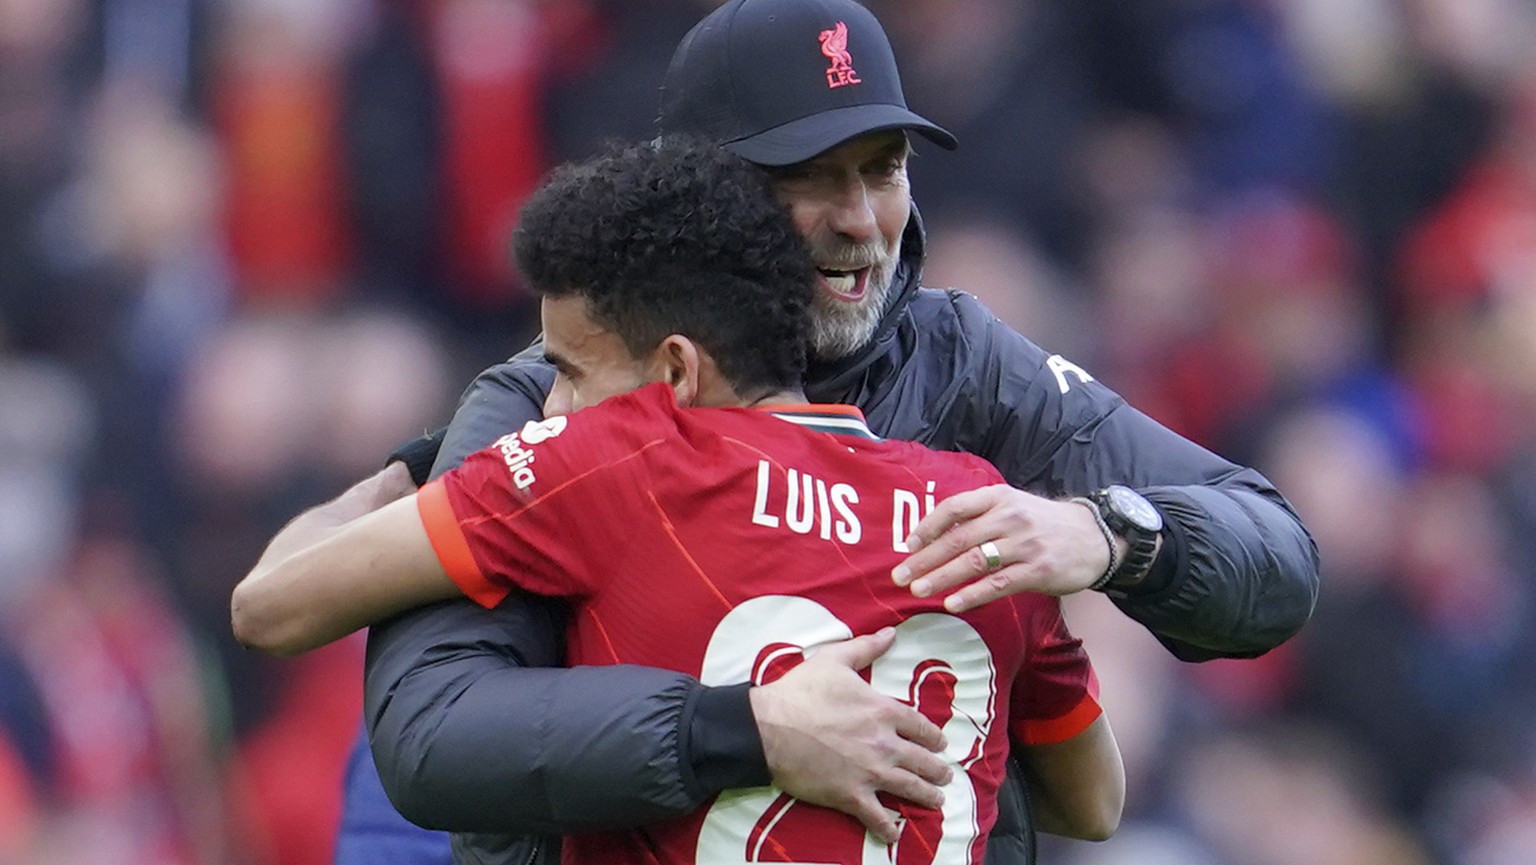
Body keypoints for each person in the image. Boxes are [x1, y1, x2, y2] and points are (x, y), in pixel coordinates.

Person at [341, 1, 1321, 864]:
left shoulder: (969, 367)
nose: (860, 220)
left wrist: (1109, 536)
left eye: (882, 169)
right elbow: (432, 736)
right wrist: (744, 729)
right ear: (700, 201)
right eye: (810, 177)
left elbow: (1276, 556)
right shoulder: (546, 396)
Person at [233, 136, 1125, 863]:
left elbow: (270, 604)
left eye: (572, 373)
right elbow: (1094, 802)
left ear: (674, 369)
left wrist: (401, 479)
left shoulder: (617, 458)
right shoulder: (980, 510)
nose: (551, 405)